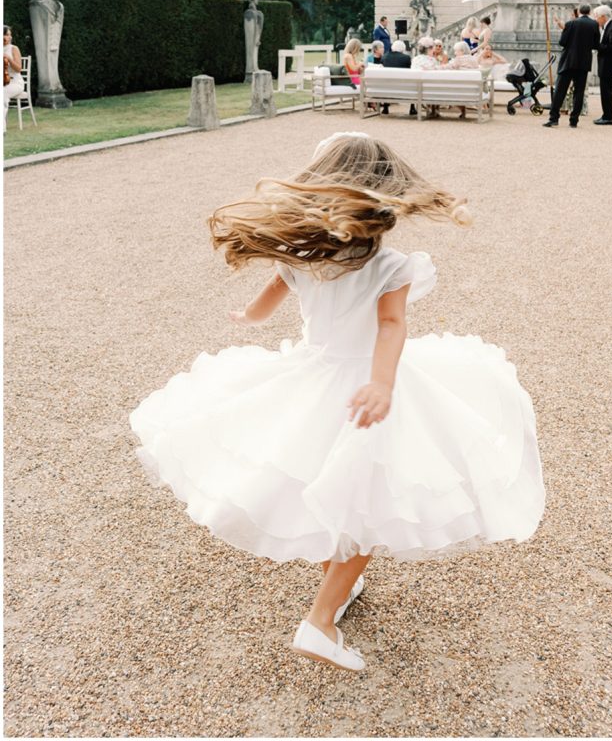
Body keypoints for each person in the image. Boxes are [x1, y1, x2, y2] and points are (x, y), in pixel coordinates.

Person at [130, 133, 545, 673]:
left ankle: (338, 585)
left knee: (331, 485)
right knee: (364, 505)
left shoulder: (301, 254)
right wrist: (382, 385)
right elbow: (391, 326)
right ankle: (319, 622)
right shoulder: (390, 265)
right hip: (363, 384)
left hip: (312, 375)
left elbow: (260, 311)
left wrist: (246, 321)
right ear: (384, 194)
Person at [543, 4, 600, 128]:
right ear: (589, 12)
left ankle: (554, 118)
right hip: (583, 63)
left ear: (578, 12)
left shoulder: (570, 24)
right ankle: (574, 120)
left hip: (568, 61)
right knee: (579, 92)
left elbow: (562, 42)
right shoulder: (594, 25)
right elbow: (596, 45)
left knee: (560, 91)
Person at [592, 6, 612, 125]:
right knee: (605, 91)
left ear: (604, 17)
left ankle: (608, 117)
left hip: (609, 66)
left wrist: (597, 45)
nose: (596, 20)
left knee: (606, 92)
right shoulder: (608, 27)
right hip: (606, 64)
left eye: (597, 17)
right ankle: (606, 115)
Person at [382, 39, 415, 116]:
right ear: (403, 48)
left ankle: (385, 107)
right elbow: (409, 72)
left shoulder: (385, 57)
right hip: (403, 88)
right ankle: (412, 108)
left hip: (386, 88)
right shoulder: (406, 58)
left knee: (387, 82)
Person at [411, 36, 440, 118]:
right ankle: (435, 109)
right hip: (430, 89)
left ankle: (430, 108)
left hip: (415, 88)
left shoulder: (415, 59)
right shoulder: (432, 60)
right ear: (429, 49)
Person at [3, 26, 24, 132]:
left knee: (2, 93)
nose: (9, 37)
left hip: (15, 82)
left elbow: (18, 69)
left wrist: (9, 58)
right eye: (6, 34)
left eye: (10, 35)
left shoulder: (13, 48)